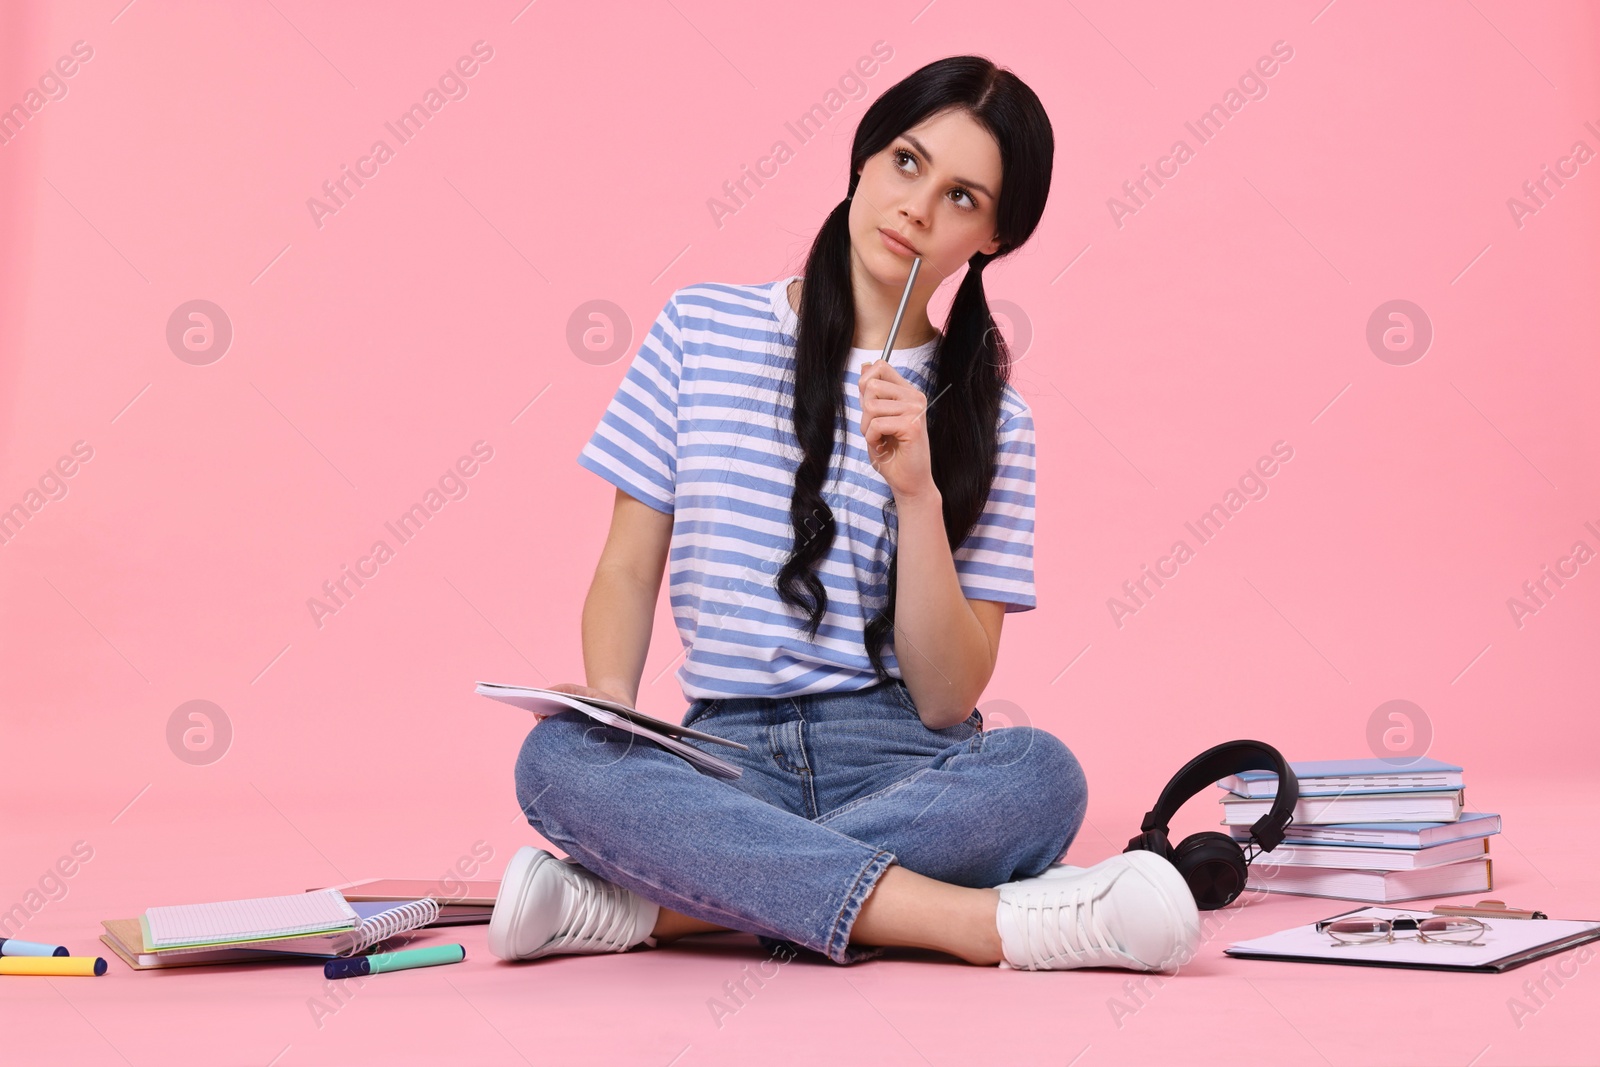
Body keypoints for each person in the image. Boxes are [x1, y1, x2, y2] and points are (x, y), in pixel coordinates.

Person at [490, 55, 1201, 971]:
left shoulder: (994, 418)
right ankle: (989, 925)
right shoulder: (697, 330)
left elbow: (949, 696)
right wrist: (617, 717)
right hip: (721, 757)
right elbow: (627, 568)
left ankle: (659, 906)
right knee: (559, 759)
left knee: (1040, 775)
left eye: (962, 197)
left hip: (902, 754)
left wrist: (918, 493)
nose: (917, 207)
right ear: (864, 159)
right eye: (907, 163)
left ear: (992, 237)